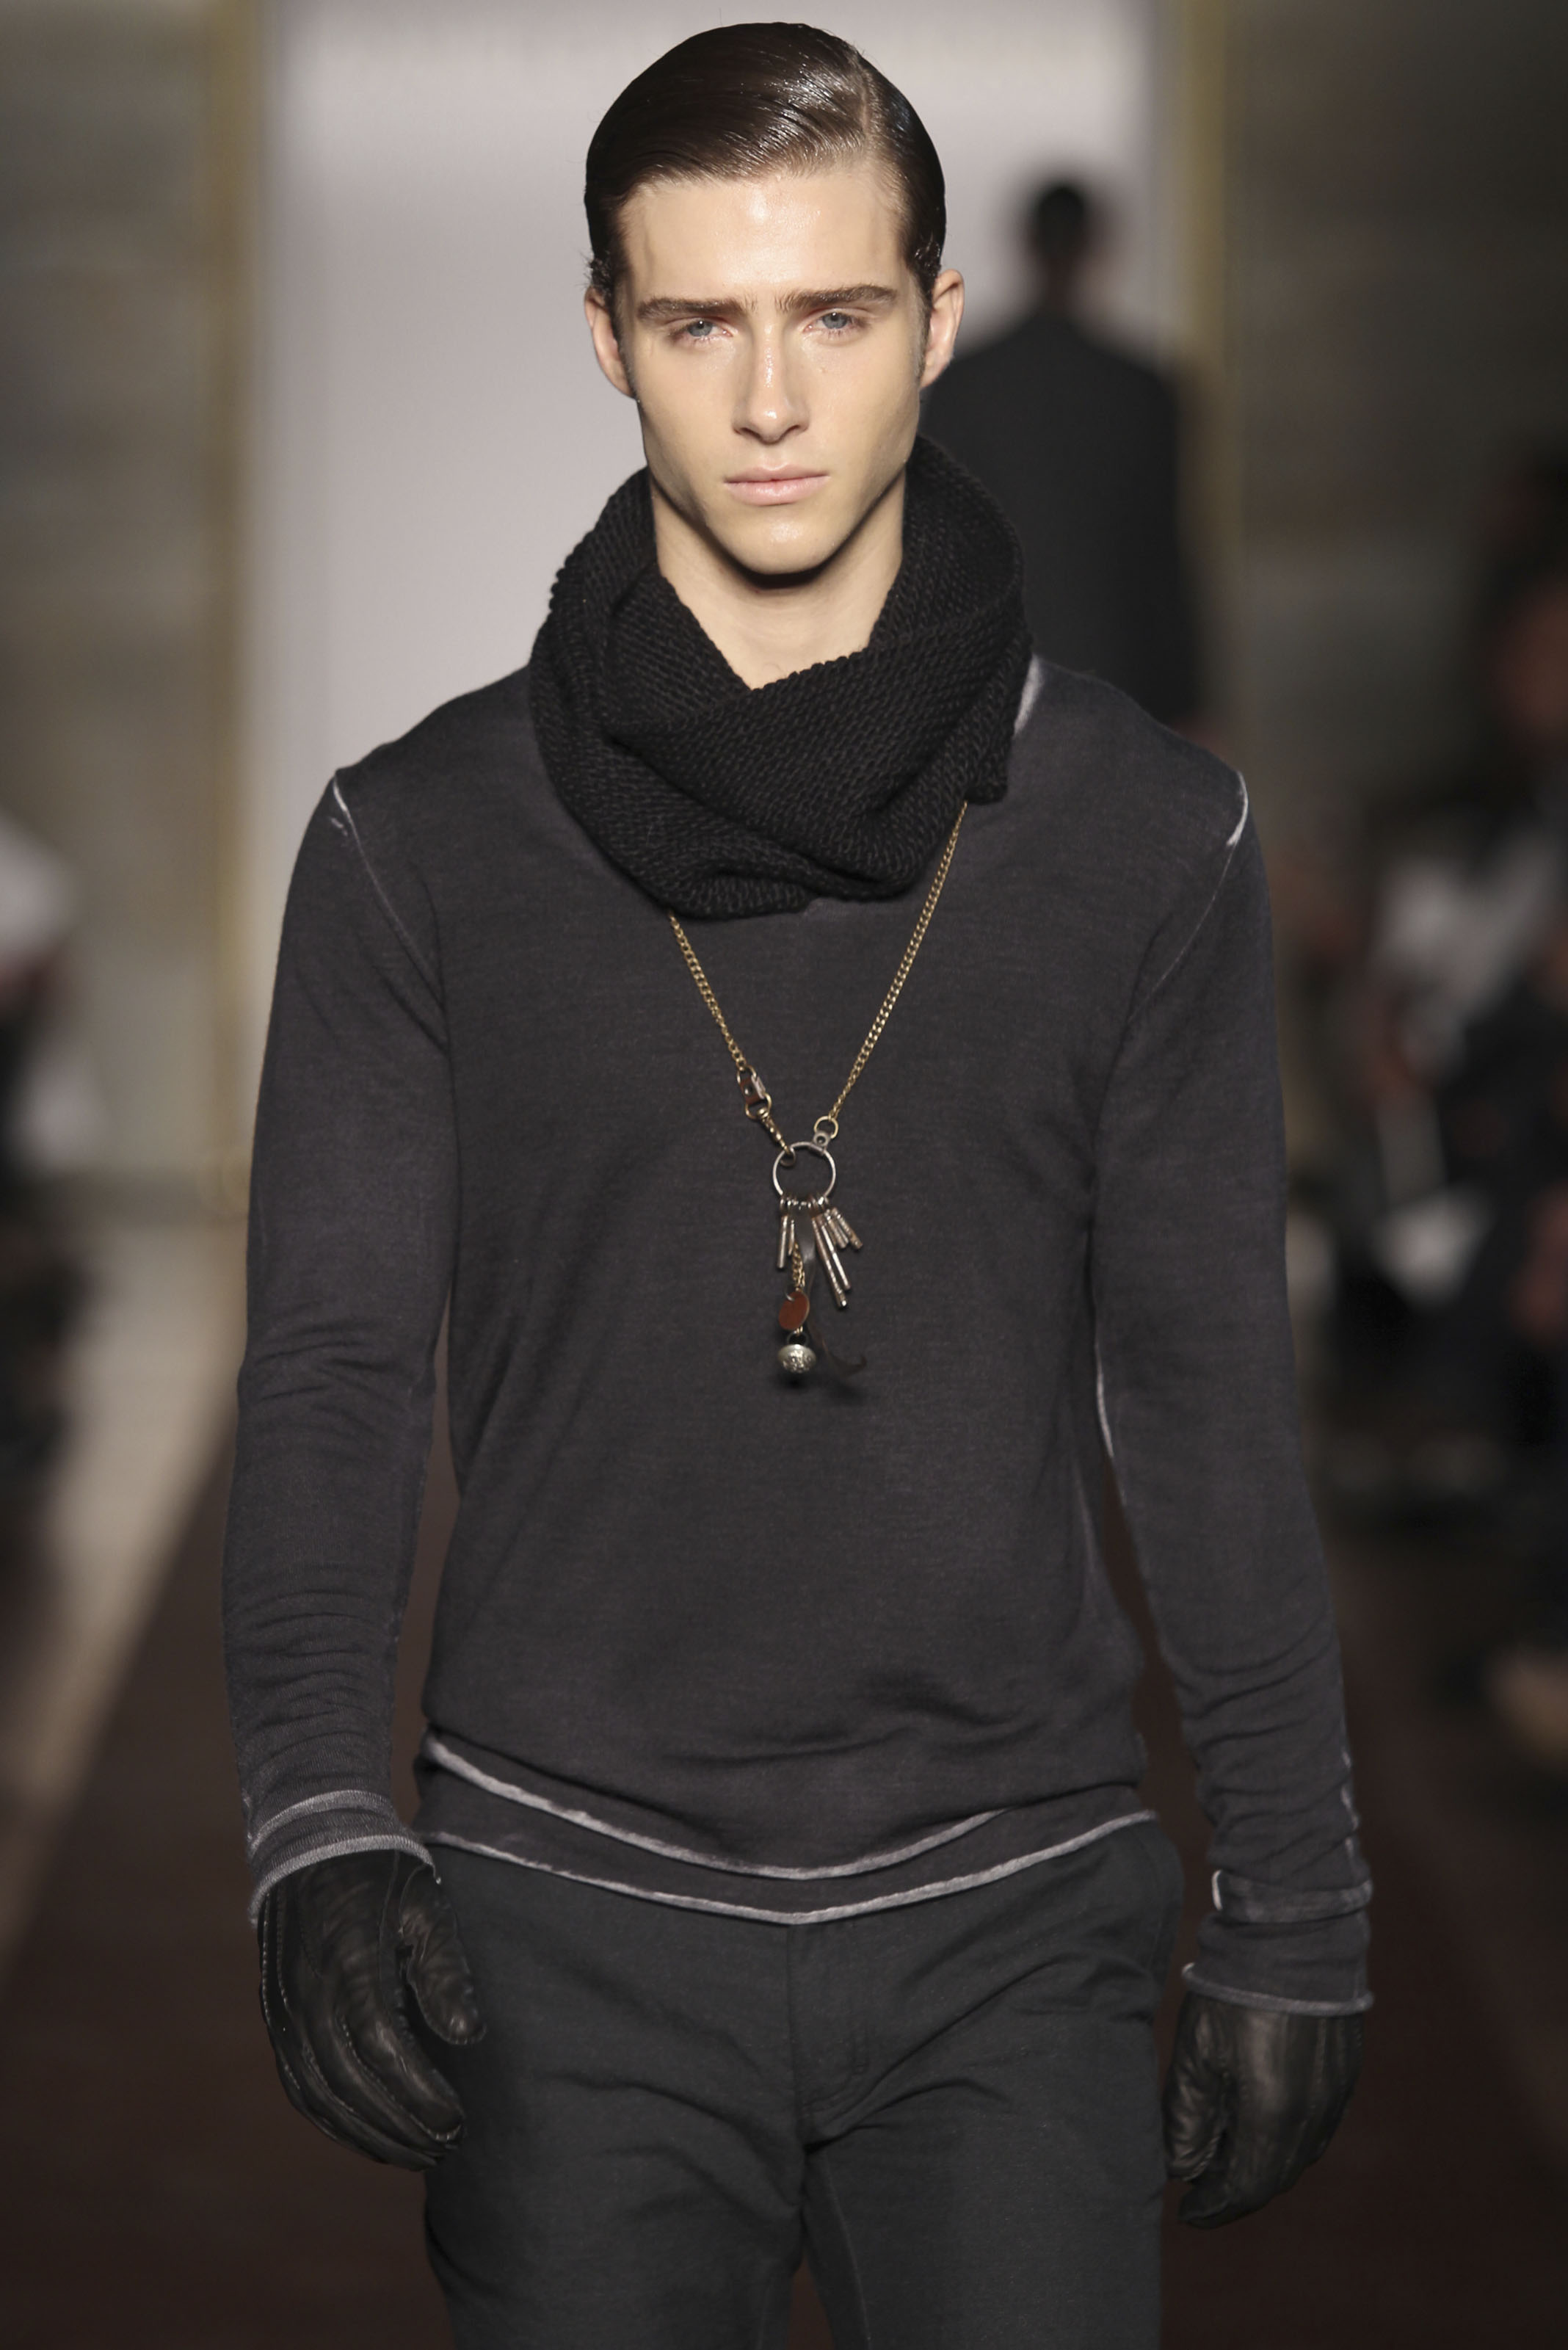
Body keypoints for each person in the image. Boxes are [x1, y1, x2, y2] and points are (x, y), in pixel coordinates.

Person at [225, 28, 1367, 2349]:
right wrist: (317, 1817)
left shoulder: (1148, 841)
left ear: (936, 320)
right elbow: (334, 1369)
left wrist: (1299, 1888)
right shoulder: (416, 844)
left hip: (1017, 1893)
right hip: (558, 1899)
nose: (768, 402)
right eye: (697, 322)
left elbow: (1204, 1384)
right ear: (605, 336)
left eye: (834, 315)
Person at [923, 179, 1201, 728]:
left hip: (994, 675)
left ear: (1026, 244)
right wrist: (1189, 698)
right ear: (1093, 247)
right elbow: (1165, 558)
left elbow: (937, 543)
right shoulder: (1141, 390)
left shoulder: (969, 383)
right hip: (1117, 680)